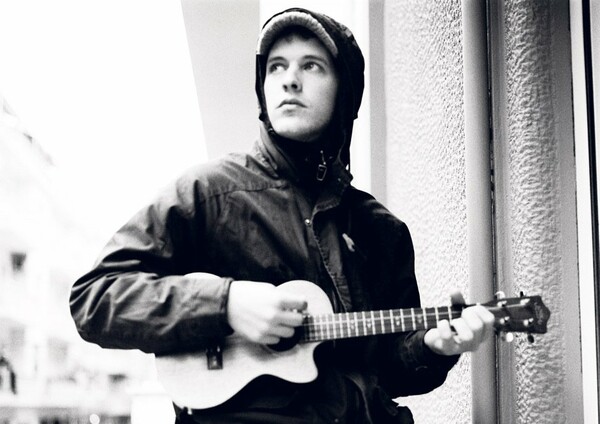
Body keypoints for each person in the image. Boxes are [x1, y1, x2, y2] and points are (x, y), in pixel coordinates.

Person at [69, 8, 494, 423]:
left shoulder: (380, 229)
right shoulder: (208, 193)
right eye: (276, 67)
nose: (290, 79)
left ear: (344, 91)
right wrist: (226, 304)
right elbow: (95, 298)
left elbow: (389, 370)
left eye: (311, 65)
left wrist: (433, 348)